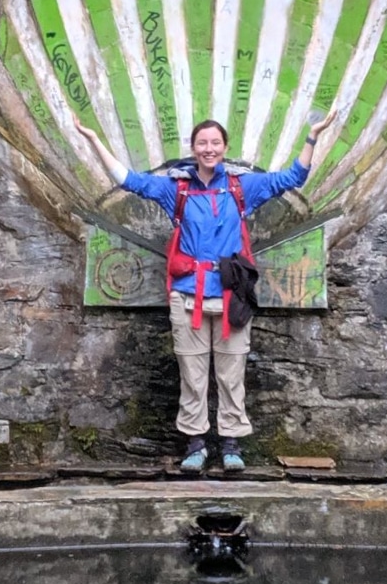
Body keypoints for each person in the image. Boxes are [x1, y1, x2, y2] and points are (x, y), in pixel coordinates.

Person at [73, 111, 336, 473]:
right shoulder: (177, 189)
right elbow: (129, 180)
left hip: (231, 296)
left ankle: (230, 445)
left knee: (232, 374)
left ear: (224, 147)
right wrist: (92, 139)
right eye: (202, 143)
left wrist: (312, 136)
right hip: (188, 296)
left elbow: (293, 178)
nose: (209, 148)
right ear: (194, 148)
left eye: (215, 142)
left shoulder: (241, 187)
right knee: (193, 376)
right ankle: (195, 444)